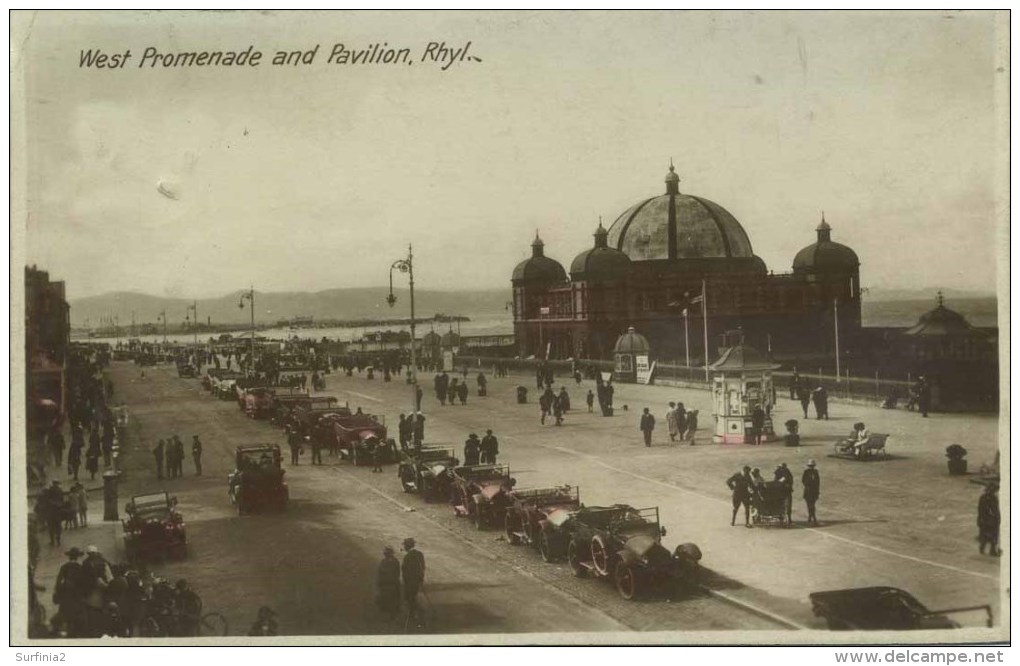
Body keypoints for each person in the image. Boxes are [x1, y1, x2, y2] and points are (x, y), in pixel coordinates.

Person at [53, 547, 86, 637]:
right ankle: (75, 632)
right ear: (77, 557)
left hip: (66, 595)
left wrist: (58, 593)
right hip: (76, 596)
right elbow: (83, 583)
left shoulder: (64, 567)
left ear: (69, 557)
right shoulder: (80, 568)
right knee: (76, 614)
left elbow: (58, 582)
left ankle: (65, 631)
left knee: (65, 613)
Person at [401, 538, 426, 628]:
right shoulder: (419, 554)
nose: (404, 547)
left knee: (409, 598)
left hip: (410, 581)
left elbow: (404, 570)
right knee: (412, 597)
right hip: (417, 580)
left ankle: (415, 614)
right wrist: (421, 579)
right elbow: (422, 567)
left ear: (408, 546)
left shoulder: (408, 557)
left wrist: (406, 581)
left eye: (405, 545)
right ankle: (413, 613)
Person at [376, 546, 402, 621]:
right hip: (388, 584)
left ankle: (392, 616)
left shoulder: (390, 561)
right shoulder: (387, 561)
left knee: (391, 600)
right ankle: (390, 616)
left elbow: (394, 573)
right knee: (388, 600)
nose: (385, 554)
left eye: (387, 553)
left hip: (390, 584)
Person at [977, 483, 1001, 556]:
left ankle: (988, 548)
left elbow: (995, 509)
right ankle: (988, 549)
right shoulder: (988, 498)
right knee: (990, 534)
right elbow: (982, 509)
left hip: (989, 519)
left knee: (991, 534)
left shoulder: (989, 498)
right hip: (988, 519)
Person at [802, 460, 821, 525]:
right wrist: (808, 484)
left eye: (812, 466)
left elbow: (818, 482)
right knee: (809, 504)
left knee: (812, 504)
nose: (811, 467)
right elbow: (803, 480)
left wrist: (817, 491)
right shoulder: (806, 472)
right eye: (810, 466)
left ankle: (811, 516)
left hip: (814, 491)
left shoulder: (816, 472)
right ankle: (812, 516)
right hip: (808, 491)